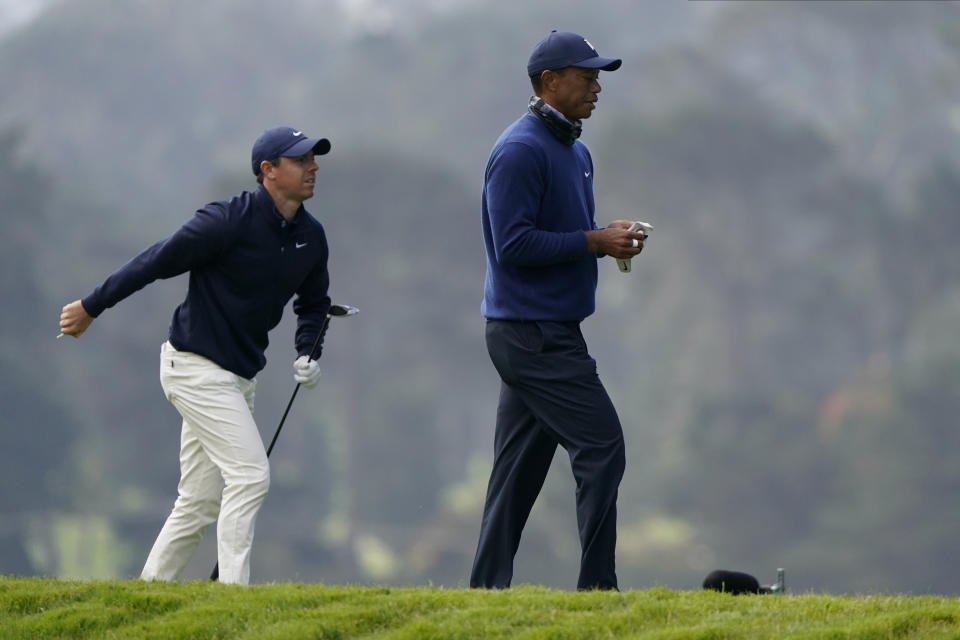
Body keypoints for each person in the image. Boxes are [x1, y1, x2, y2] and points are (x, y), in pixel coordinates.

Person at [58, 126, 334, 585]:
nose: (313, 167)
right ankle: (233, 597)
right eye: (301, 160)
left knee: (200, 501)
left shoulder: (311, 236)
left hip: (238, 377)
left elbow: (315, 303)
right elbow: (156, 260)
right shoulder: (227, 220)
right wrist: (92, 305)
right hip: (193, 368)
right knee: (250, 475)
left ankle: (147, 594)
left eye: (313, 158)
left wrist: (308, 351)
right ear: (268, 171)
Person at [470, 31, 645, 591]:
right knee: (602, 446)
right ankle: (598, 590)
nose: (597, 87)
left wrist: (604, 235)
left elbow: (565, 232)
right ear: (549, 82)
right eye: (587, 76)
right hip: (531, 334)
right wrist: (594, 242)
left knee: (516, 474)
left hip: (543, 329)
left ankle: (485, 592)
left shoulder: (575, 149)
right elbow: (514, 245)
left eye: (599, 78)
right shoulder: (520, 151)